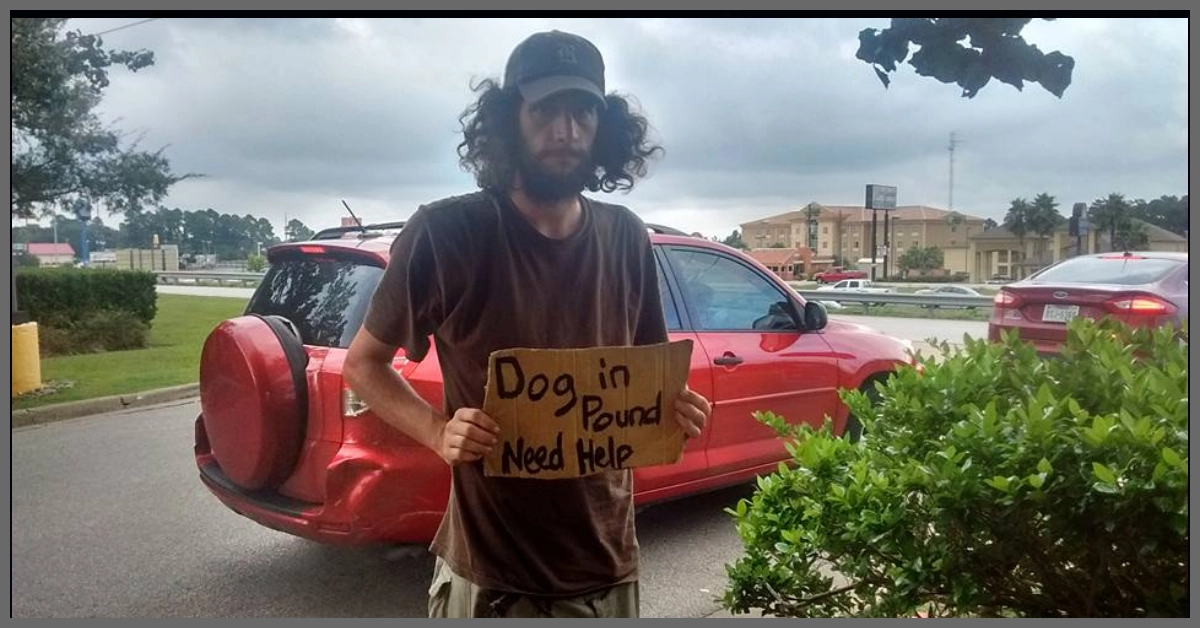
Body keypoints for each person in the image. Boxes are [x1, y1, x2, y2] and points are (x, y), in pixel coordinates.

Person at [343, 30, 712, 618]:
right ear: (509, 118)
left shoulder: (625, 236)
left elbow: (645, 379)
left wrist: (678, 410)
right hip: (493, 576)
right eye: (545, 110)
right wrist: (438, 432)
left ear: (604, 126)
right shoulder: (447, 233)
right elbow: (363, 363)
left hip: (609, 565)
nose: (565, 130)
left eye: (582, 110)